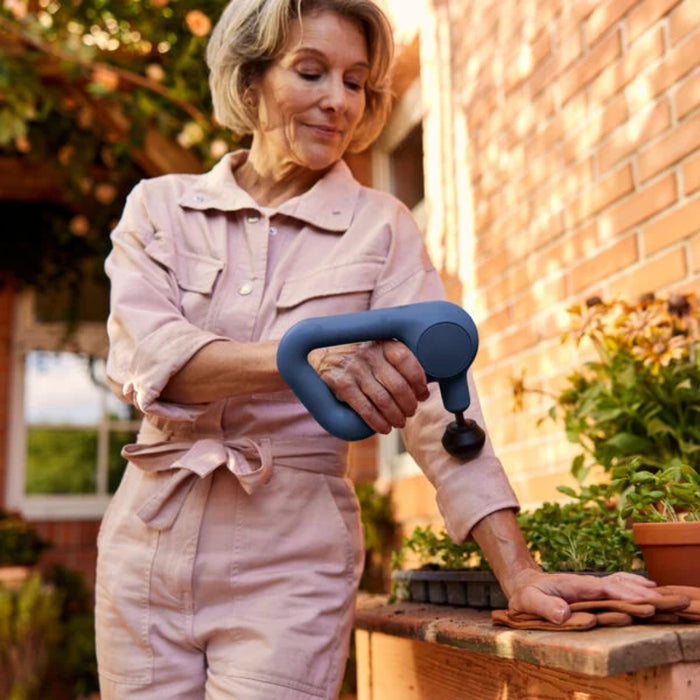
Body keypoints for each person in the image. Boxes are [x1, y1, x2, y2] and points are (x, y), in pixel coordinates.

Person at [96, 0, 660, 698]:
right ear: (250, 79)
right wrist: (305, 360)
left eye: (357, 82)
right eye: (311, 72)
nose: (338, 101)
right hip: (146, 543)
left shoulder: (382, 228)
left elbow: (441, 406)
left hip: (290, 560)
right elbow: (149, 358)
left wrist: (519, 571)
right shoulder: (159, 208)